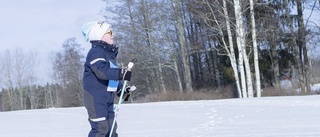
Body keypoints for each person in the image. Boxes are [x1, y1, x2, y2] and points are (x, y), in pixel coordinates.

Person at [81, 21, 134, 137]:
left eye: (112, 32)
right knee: (101, 127)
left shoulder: (109, 54)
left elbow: (111, 77)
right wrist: (121, 73)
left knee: (111, 127)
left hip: (107, 98)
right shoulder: (96, 52)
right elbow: (101, 71)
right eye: (109, 32)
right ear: (98, 35)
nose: (112, 35)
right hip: (95, 98)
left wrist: (121, 90)